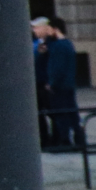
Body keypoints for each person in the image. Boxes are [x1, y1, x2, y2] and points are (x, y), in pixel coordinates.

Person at [33, 18, 81, 151]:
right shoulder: (63, 44)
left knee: (62, 114)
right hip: (65, 84)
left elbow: (57, 68)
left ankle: (65, 141)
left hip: (59, 86)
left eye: (49, 30)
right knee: (69, 113)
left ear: (55, 29)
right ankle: (74, 139)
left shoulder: (59, 45)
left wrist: (51, 83)